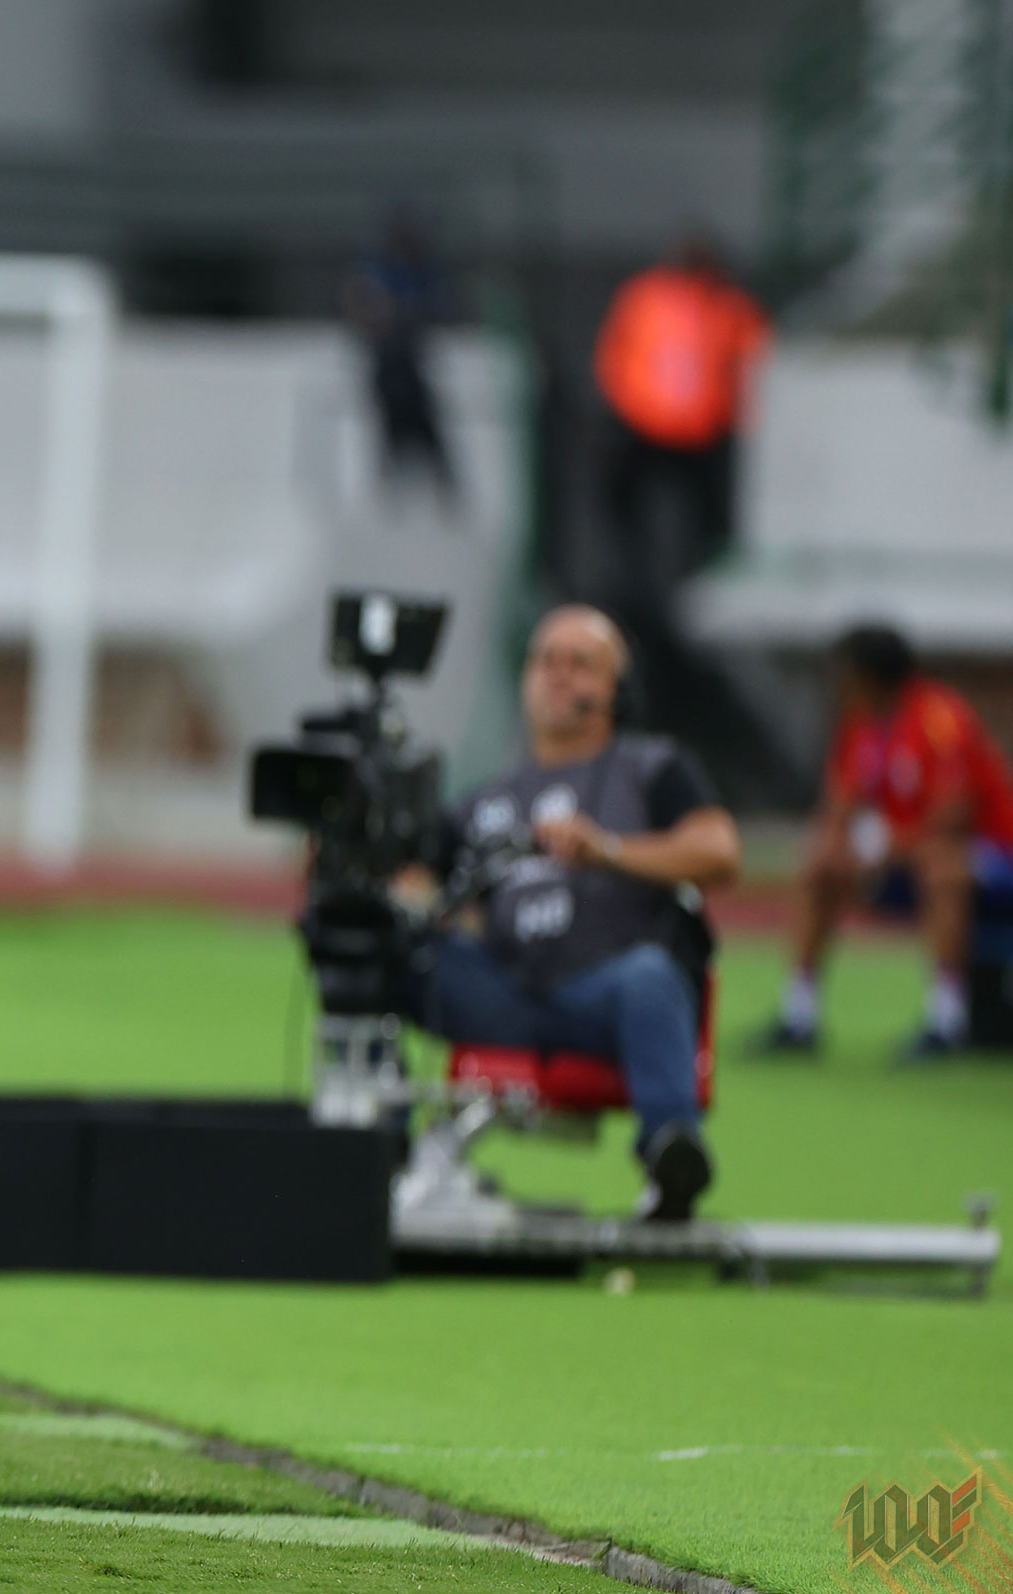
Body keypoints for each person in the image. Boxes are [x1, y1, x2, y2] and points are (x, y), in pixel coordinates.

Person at [420, 605, 741, 1221]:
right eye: (545, 661)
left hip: (604, 993)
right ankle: (379, 1144)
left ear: (619, 690)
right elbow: (414, 882)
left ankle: (671, 1154)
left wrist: (608, 850)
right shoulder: (485, 799)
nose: (558, 675)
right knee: (382, 942)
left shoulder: (651, 767)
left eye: (580, 664)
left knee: (649, 974)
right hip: (503, 990)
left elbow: (720, 851)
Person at [765, 625, 1013, 1058]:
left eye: (842, 670)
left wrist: (884, 851)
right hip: (907, 857)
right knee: (819, 867)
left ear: (867, 673)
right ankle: (799, 1015)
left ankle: (946, 1021)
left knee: (943, 870)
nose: (836, 681)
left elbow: (953, 816)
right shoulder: (860, 723)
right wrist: (836, 845)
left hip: (992, 857)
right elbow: (840, 802)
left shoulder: (938, 717)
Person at [593, 230, 767, 594]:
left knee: (702, 518)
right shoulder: (652, 297)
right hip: (651, 425)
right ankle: (637, 580)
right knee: (629, 507)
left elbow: (750, 360)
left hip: (691, 430)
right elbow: (617, 355)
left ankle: (685, 580)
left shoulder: (721, 305)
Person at [344, 210, 457, 507]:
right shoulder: (375, 269)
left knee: (421, 418)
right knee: (392, 418)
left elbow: (433, 306)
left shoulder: (420, 269)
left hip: (409, 361)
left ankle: (439, 479)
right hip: (387, 361)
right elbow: (361, 307)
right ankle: (392, 477)